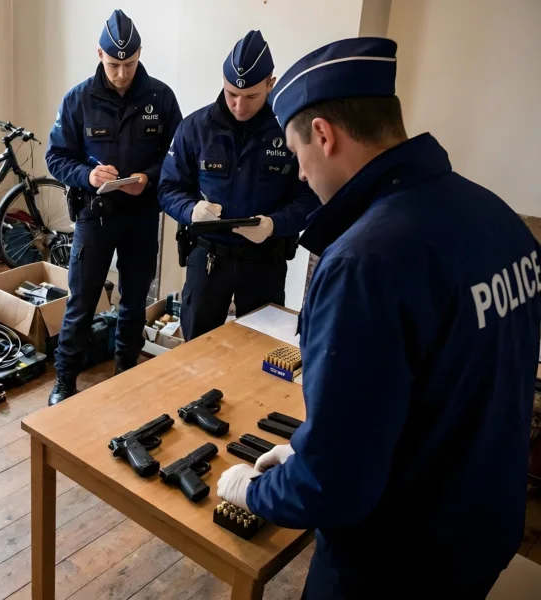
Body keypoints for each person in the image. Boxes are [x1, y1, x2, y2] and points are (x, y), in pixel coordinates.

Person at [216, 37, 541, 598]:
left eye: (296, 154)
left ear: (324, 135)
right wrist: (314, 445)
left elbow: (334, 486)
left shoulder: (364, 262)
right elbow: (449, 382)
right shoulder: (497, 217)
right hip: (482, 526)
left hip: (396, 559)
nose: (300, 176)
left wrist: (258, 490)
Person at [45, 9, 181, 405]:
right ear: (100, 55)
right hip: (95, 215)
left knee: (135, 300)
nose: (121, 73)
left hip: (141, 216)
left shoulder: (161, 97)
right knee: (82, 301)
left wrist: (148, 177)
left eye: (129, 64)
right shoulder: (79, 99)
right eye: (114, 64)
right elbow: (56, 157)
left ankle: (126, 369)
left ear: (139, 55)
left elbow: (177, 157)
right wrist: (87, 176)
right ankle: (65, 379)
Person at [159, 31, 319, 341]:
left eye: (251, 96)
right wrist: (190, 210)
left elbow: (309, 199)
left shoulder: (289, 130)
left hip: (265, 262)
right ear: (223, 80)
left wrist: (274, 224)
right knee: (196, 350)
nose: (239, 105)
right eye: (232, 93)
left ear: (270, 84)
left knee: (258, 349)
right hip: (208, 260)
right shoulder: (195, 127)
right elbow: (168, 189)